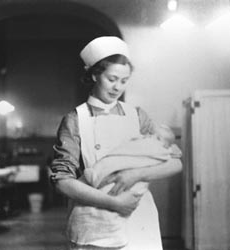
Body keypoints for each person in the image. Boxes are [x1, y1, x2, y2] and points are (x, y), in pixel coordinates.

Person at [50, 36, 182, 250]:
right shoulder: (75, 119)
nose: (117, 87)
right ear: (94, 74)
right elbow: (62, 181)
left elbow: (175, 162)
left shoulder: (137, 115)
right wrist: (115, 203)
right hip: (94, 222)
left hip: (139, 219)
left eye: (124, 80)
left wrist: (136, 175)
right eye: (111, 79)